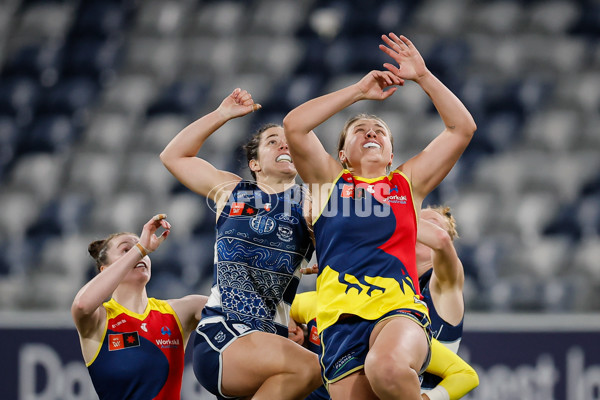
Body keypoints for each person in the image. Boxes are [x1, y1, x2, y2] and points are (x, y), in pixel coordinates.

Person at [283, 32, 477, 400]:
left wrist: (423, 76)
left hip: (397, 309)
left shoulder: (407, 184)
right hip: (339, 324)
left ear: (391, 154)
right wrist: (357, 91)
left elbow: (462, 128)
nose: (371, 131)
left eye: (380, 132)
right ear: (342, 155)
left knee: (385, 367)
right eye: (359, 131)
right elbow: (295, 125)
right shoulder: (327, 184)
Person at [159, 88, 322, 399]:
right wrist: (222, 115)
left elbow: (340, 257)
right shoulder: (232, 192)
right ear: (255, 163)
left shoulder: (311, 203)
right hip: (224, 333)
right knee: (311, 368)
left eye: (288, 141)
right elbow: (173, 155)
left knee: (315, 375)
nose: (283, 144)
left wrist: (322, 246)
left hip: (270, 339)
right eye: (273, 141)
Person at [71, 214, 209, 400]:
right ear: (105, 270)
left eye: (142, 250)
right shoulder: (100, 320)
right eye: (126, 250)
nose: (140, 253)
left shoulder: (179, 312)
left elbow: (236, 310)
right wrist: (140, 247)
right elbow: (81, 304)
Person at [290, 291, 478, 400]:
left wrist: (427, 399)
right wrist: (290, 329)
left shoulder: (392, 328)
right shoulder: (316, 303)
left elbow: (466, 375)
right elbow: (278, 310)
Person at [417, 206, 466, 398]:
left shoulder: (444, 285)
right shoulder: (388, 280)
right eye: (421, 222)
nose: (423, 228)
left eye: (433, 225)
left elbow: (441, 243)